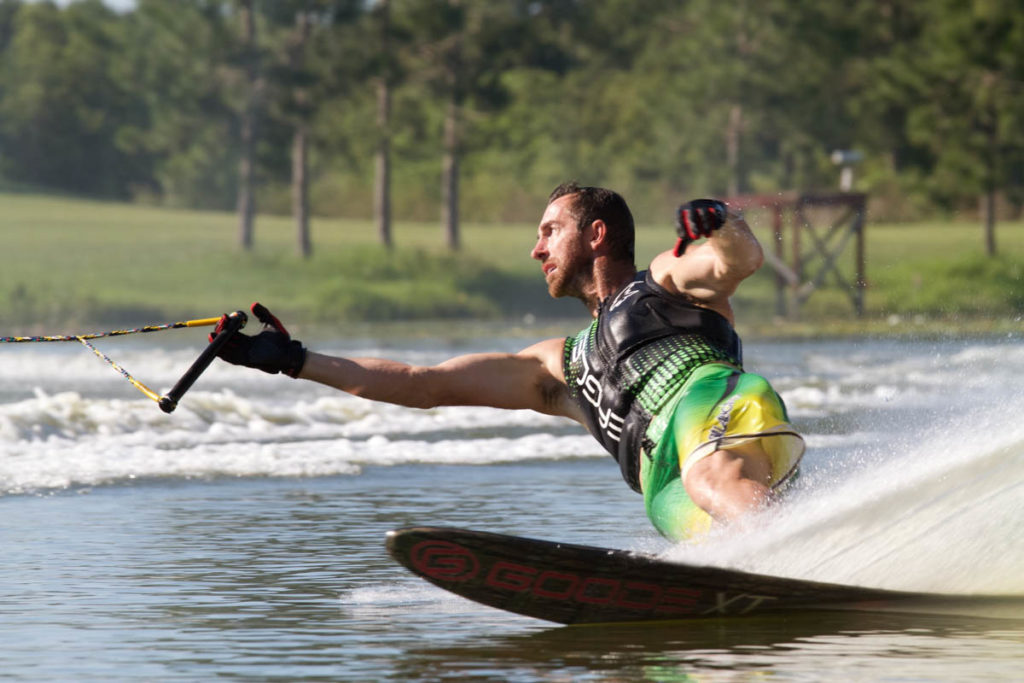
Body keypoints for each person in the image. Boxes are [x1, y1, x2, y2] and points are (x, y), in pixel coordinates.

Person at [213, 183, 805, 542]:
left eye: (550, 231)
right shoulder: (557, 368)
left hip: (712, 408)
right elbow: (426, 386)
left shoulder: (663, 281)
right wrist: (294, 360)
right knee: (710, 543)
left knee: (712, 483)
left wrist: (721, 222)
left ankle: (797, 560)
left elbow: (737, 261)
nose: (536, 248)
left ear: (597, 235)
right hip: (662, 483)